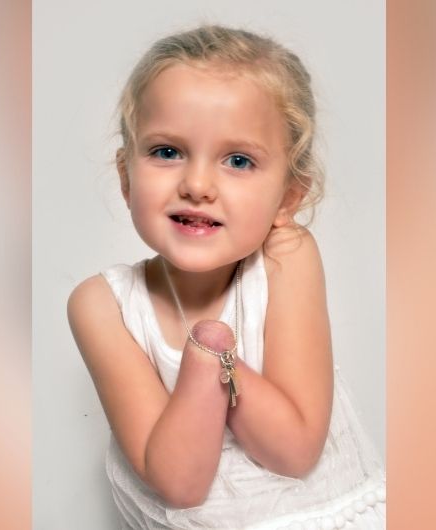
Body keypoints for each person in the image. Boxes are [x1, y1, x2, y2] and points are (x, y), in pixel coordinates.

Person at [68, 25, 386, 529]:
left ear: (288, 197)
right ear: (127, 177)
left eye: (238, 160)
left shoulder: (287, 258)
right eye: (167, 152)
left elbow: (296, 449)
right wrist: (204, 358)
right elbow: (178, 482)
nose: (196, 185)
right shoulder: (101, 305)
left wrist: (221, 359)